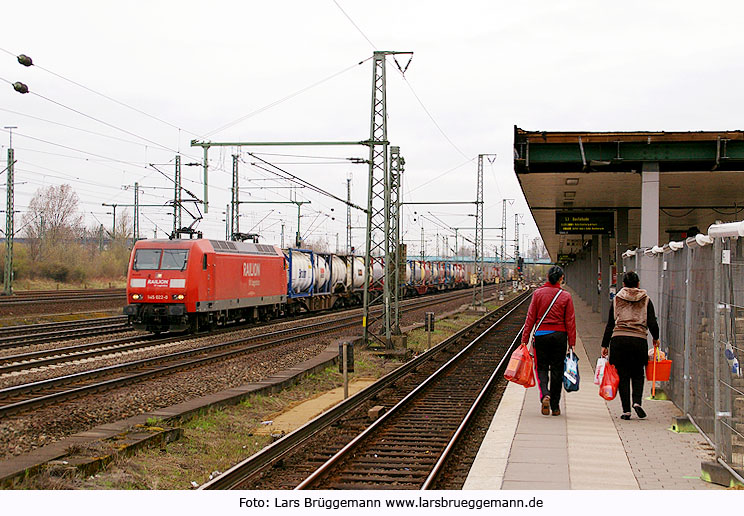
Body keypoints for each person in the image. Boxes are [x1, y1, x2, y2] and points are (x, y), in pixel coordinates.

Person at [600, 271, 659, 420]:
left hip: (619, 340)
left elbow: (610, 324)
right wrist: (656, 338)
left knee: (622, 376)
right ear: (638, 284)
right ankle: (637, 402)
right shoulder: (646, 300)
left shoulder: (617, 299)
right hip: (638, 340)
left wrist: (604, 344)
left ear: (624, 284)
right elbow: (652, 322)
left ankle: (626, 410)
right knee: (638, 374)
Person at [522, 266, 576, 416]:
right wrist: (572, 342)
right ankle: (556, 406)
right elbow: (570, 321)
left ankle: (545, 394)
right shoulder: (566, 296)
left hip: (541, 335)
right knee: (558, 370)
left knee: (542, 368)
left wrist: (524, 339)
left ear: (547, 277)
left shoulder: (538, 294)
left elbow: (530, 318)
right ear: (561, 278)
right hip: (560, 336)